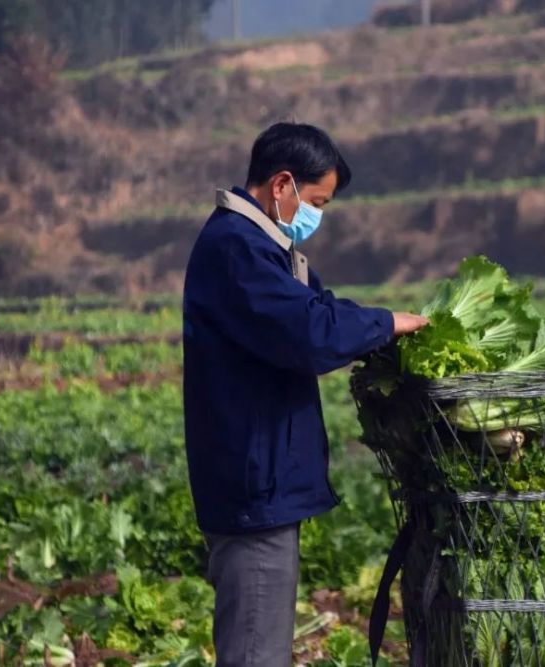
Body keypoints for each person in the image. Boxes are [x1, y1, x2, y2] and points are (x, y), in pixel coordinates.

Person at [181, 122, 429, 667]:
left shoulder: (263, 247)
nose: (316, 216)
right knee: (255, 651)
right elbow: (309, 333)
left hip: (262, 482)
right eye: (315, 201)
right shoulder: (237, 251)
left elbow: (322, 309)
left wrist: (381, 327)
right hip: (254, 487)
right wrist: (388, 324)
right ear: (282, 185)